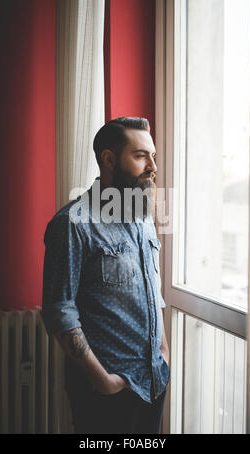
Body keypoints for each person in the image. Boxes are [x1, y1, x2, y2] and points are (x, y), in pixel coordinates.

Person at [41, 117, 170, 434]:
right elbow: (59, 310)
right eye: (141, 155)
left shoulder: (144, 219)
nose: (152, 165)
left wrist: (164, 353)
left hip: (154, 379)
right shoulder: (72, 223)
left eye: (153, 156)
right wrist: (103, 380)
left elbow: (152, 290)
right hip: (106, 389)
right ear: (109, 159)